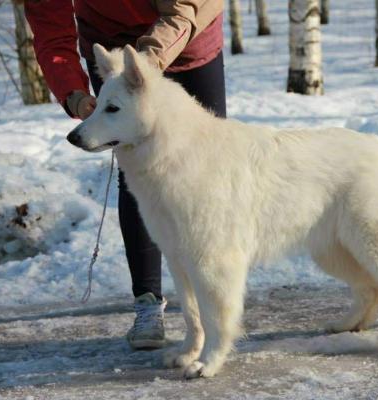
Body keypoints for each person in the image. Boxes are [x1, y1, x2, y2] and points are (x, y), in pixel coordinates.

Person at [23, 0, 226, 349]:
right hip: (112, 48)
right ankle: (148, 303)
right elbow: (50, 28)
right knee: (140, 179)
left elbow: (186, 8)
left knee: (209, 172)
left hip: (189, 33)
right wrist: (74, 93)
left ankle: (216, 300)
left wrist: (143, 68)